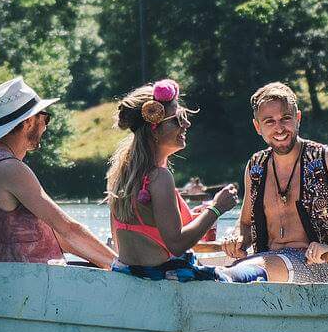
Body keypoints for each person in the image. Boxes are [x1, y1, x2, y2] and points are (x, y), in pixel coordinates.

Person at [220, 82, 328, 284]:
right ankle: (225, 277)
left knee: (242, 272)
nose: (279, 128)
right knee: (238, 270)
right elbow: (245, 223)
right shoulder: (255, 166)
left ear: (298, 118)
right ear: (258, 127)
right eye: (269, 122)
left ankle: (227, 277)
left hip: (323, 268)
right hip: (268, 266)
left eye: (285, 118)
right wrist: (237, 239)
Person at [0, 76, 117, 267]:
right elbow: (68, 229)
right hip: (27, 283)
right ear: (29, 121)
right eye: (45, 117)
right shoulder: (11, 168)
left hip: (14, 281)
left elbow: (59, 237)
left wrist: (110, 261)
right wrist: (121, 266)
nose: (46, 126)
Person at [102, 80, 239, 279]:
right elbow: (177, 244)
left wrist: (195, 217)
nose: (186, 124)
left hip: (132, 276)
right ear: (154, 130)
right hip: (162, 279)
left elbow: (142, 233)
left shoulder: (121, 174)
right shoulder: (159, 177)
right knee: (255, 271)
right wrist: (216, 208)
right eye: (178, 119)